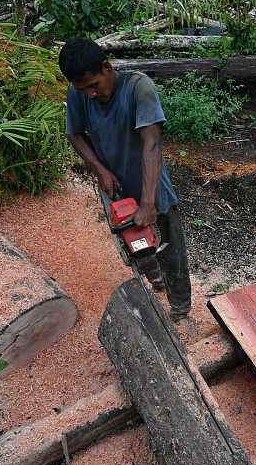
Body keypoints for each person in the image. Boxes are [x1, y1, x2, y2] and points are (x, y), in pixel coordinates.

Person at [58, 37, 192, 323]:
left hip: (151, 185)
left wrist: (147, 202)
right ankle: (154, 280)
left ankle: (181, 309)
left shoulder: (138, 87)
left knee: (171, 246)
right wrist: (100, 170)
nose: (90, 95)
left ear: (107, 68)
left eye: (93, 86)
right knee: (136, 246)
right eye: (84, 90)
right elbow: (75, 134)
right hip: (114, 188)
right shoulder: (78, 91)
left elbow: (152, 145)